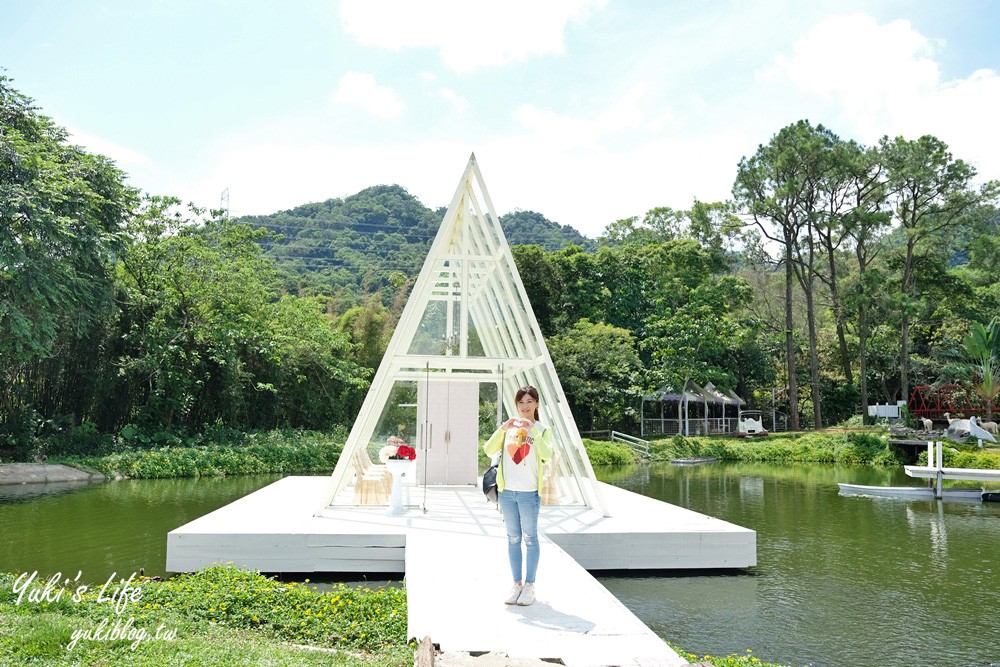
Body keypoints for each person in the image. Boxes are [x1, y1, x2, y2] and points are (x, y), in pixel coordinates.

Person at [483, 385, 553, 606]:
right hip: (507, 493)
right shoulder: (509, 429)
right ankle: (517, 585)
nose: (525, 407)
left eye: (529, 402)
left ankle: (530, 586)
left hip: (528, 493)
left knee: (530, 538)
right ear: (516, 405)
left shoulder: (541, 429)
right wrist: (503, 428)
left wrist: (532, 429)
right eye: (521, 402)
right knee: (513, 538)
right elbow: (488, 449)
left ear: (537, 404)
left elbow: (546, 454)